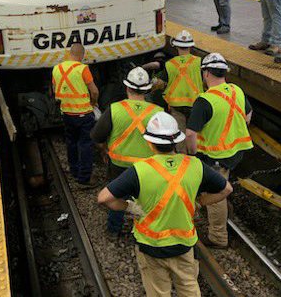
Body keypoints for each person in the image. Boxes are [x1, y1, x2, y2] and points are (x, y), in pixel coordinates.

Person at [98, 112, 232, 297]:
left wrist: (129, 207)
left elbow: (103, 198)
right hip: (183, 245)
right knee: (189, 287)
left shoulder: (139, 170)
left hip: (151, 247)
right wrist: (199, 203)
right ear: (176, 141)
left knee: (159, 292)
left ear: (150, 143)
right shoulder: (195, 165)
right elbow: (226, 190)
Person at [185, 53, 253, 249]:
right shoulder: (236, 90)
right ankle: (225, 209)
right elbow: (248, 115)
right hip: (235, 151)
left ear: (206, 73)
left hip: (215, 156)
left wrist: (192, 155)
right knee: (223, 183)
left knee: (216, 197)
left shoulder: (204, 100)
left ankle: (218, 237)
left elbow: (190, 134)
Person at [90, 67, 163, 235]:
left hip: (118, 166)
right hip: (148, 167)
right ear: (147, 89)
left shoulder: (114, 109)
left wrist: (104, 151)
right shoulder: (157, 112)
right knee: (146, 199)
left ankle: (114, 229)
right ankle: (145, 230)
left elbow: (97, 137)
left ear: (127, 88)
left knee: (117, 196)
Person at [52, 43, 99, 187]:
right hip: (83, 114)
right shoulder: (83, 69)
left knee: (71, 142)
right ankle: (84, 178)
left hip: (67, 113)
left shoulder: (57, 68)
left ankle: (74, 171)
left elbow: (55, 90)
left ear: (69, 53)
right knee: (85, 144)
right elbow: (94, 91)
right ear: (82, 55)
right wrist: (94, 103)